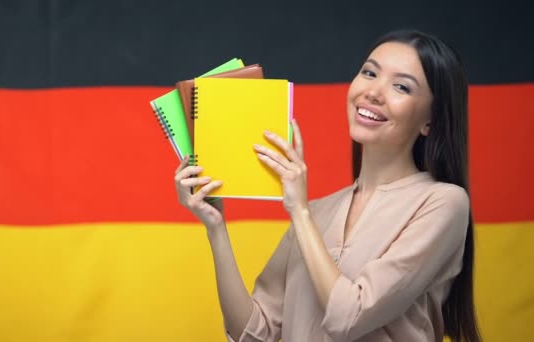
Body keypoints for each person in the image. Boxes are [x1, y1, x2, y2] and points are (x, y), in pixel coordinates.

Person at [174, 30, 481, 342]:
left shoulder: (443, 203)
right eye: (369, 72)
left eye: (401, 86)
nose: (374, 92)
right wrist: (216, 227)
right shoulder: (316, 210)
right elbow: (254, 335)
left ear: (429, 120)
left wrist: (300, 212)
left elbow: (349, 318)